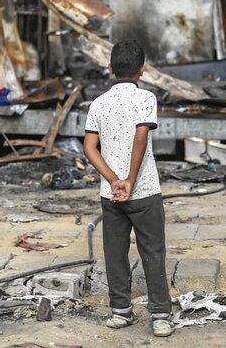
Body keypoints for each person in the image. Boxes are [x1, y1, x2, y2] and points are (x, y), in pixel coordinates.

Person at [83, 38, 175, 338]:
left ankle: (121, 311)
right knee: (152, 250)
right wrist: (130, 181)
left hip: (111, 194)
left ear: (110, 68)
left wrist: (113, 180)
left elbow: (89, 147)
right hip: (144, 189)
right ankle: (160, 315)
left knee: (115, 251)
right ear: (143, 70)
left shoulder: (99, 103)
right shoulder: (146, 99)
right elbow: (141, 138)